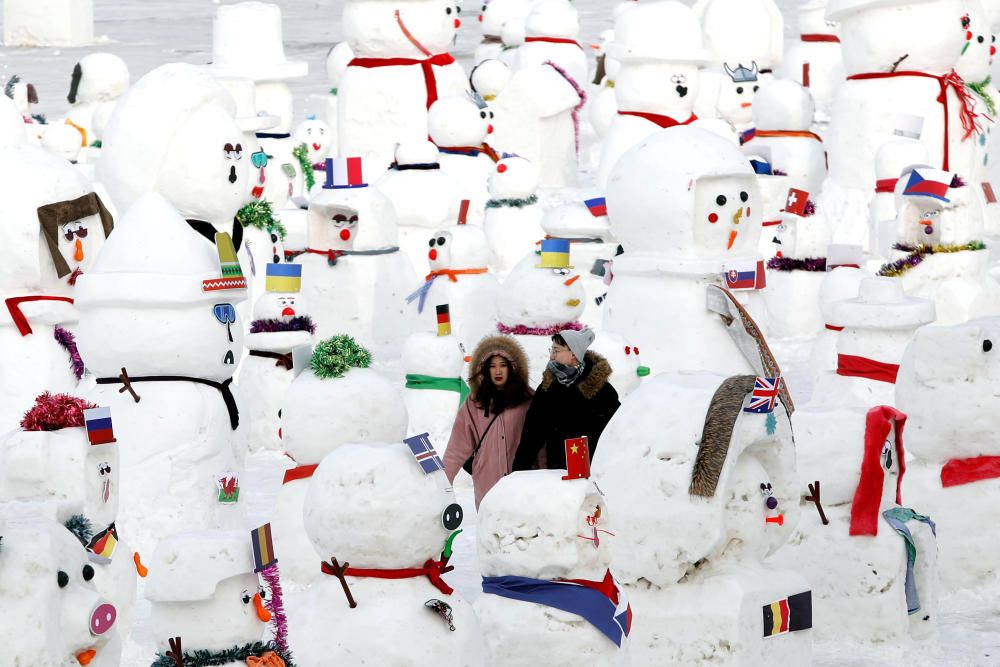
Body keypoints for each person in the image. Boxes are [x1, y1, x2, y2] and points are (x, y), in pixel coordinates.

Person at [443, 334, 534, 508]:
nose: (498, 371)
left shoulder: (528, 399)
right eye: (492, 366)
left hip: (523, 486)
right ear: (484, 369)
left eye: (503, 366)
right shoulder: (474, 402)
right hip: (487, 484)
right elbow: (457, 447)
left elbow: (540, 446)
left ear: (512, 368)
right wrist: (442, 483)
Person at [512, 327, 619, 472]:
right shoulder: (547, 389)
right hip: (556, 473)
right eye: (551, 350)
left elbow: (616, 433)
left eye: (556, 350)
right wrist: (518, 470)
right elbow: (532, 434)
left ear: (573, 354)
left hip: (594, 475)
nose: (551, 356)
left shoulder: (602, 391)